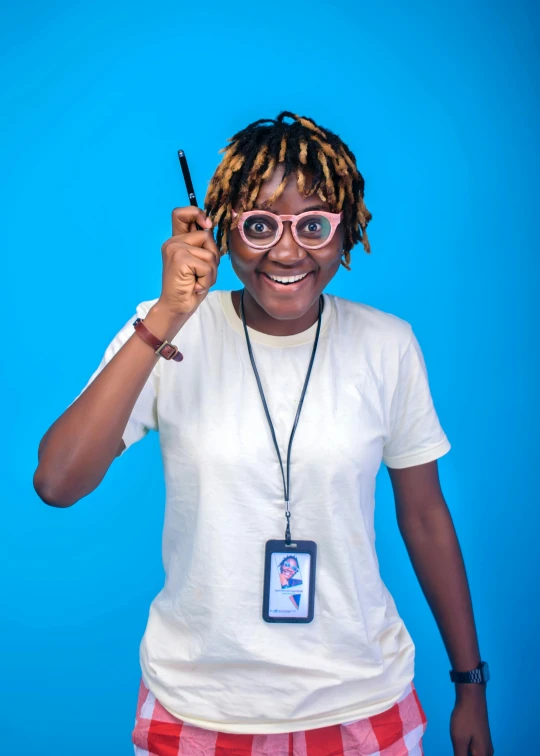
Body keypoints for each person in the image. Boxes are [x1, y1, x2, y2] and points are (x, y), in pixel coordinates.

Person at [34, 112, 495, 756]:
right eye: (259, 226)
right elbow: (57, 481)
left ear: (347, 232)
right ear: (221, 232)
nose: (285, 252)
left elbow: (424, 516)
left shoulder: (387, 344)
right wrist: (167, 314)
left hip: (361, 698)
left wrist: (470, 684)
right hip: (198, 706)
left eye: (313, 225)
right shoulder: (168, 333)